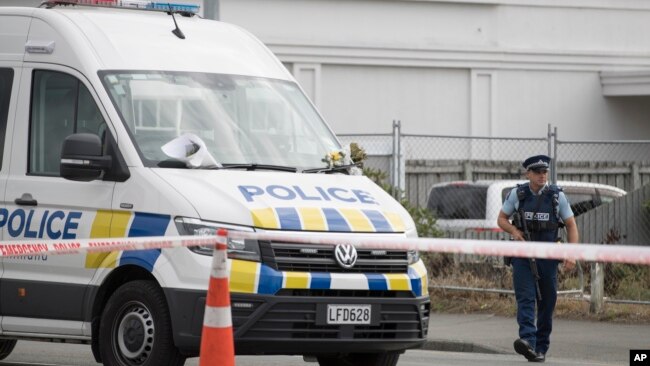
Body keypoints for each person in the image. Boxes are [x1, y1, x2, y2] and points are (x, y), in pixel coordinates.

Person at [497, 155, 579, 363]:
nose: (542, 176)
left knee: (547, 301)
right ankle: (527, 341)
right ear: (528, 174)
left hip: (548, 257)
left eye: (545, 172)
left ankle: (540, 347)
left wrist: (572, 253)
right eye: (537, 172)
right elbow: (501, 219)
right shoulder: (519, 194)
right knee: (525, 298)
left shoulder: (556, 196)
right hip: (523, 256)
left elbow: (571, 225)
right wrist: (515, 232)